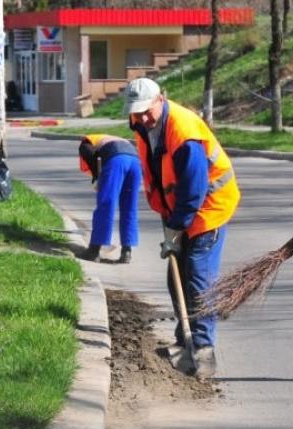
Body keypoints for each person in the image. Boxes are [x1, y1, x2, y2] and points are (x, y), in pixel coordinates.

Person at [124, 77, 241, 378]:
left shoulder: (184, 133)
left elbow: (193, 188)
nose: (143, 118)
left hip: (208, 209)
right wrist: (170, 221)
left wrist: (175, 227)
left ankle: (203, 350)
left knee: (198, 276)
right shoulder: (142, 125)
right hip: (178, 212)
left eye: (147, 111)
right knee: (176, 275)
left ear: (160, 100)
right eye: (137, 112)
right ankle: (183, 339)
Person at [77, 134, 141, 264]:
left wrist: (98, 179)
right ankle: (126, 251)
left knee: (107, 203)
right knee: (130, 206)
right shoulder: (106, 138)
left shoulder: (85, 142)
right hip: (135, 161)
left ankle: (94, 250)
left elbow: (92, 160)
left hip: (116, 159)